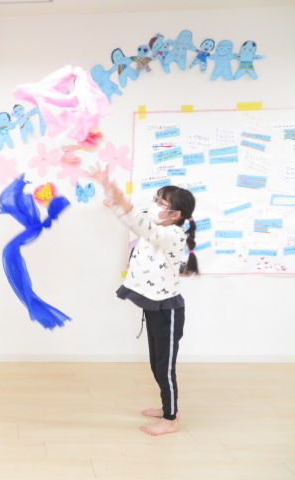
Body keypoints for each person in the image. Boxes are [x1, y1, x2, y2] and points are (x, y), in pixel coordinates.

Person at [92, 166, 198, 436]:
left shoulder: (172, 235)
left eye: (162, 203)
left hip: (167, 311)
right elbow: (134, 221)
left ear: (175, 215)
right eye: (157, 200)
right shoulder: (156, 226)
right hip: (154, 306)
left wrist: (123, 203)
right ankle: (168, 408)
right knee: (155, 363)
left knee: (165, 367)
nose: (155, 205)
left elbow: (143, 225)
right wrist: (115, 199)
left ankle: (171, 419)